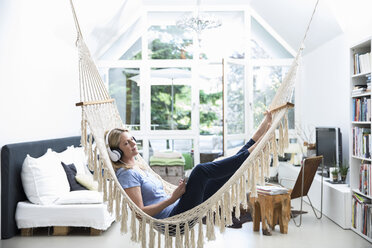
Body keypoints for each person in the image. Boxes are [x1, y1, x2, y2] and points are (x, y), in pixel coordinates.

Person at [105, 111, 272, 219]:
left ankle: (262, 131)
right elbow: (140, 213)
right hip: (172, 216)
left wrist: (176, 193)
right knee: (200, 171)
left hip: (179, 205)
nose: (134, 144)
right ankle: (259, 146)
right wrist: (173, 197)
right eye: (126, 143)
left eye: (132, 139)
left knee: (225, 171)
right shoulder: (127, 174)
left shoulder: (138, 167)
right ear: (116, 153)